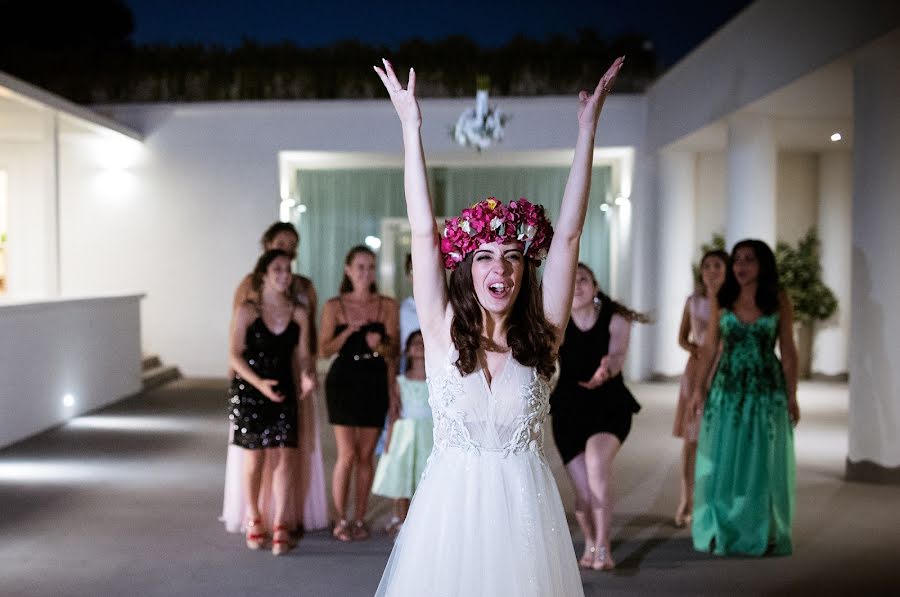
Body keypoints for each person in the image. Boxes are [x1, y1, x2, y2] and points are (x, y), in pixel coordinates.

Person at [372, 55, 623, 596]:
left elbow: (571, 236)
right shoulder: (441, 331)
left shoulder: (543, 335)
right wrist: (410, 127)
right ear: (467, 268)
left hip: (524, 522)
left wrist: (587, 132)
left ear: (525, 266)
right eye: (484, 256)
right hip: (448, 521)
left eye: (512, 255)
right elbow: (421, 232)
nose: (500, 268)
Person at [690, 239, 800, 556]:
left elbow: (789, 351)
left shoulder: (778, 300)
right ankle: (723, 525)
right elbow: (710, 347)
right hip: (727, 391)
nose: (740, 266)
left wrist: (792, 394)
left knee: (761, 462)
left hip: (766, 391)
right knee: (725, 460)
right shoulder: (722, 299)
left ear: (763, 265)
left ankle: (762, 527)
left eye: (749, 260)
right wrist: (699, 388)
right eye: (737, 259)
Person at [221, 222, 329, 538]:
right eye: (280, 241)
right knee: (254, 453)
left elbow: (308, 340)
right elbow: (235, 341)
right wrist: (244, 378)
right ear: (267, 244)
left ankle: (286, 516)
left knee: (289, 450)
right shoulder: (248, 289)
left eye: (292, 243)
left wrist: (308, 372)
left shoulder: (304, 288)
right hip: (254, 378)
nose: (286, 247)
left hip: (291, 372)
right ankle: (254, 514)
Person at [549, 263, 648, 570]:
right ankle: (590, 540)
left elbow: (617, 354)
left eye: (583, 280)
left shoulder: (616, 318)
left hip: (609, 404)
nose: (577, 285)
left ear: (595, 286)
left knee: (596, 466)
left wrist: (608, 368)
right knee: (582, 491)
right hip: (568, 409)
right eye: (571, 280)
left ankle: (604, 545)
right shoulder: (555, 323)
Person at [319, 245, 400, 542]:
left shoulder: (387, 305)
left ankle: (359, 517)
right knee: (347, 454)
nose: (366, 273)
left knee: (366, 455)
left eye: (370, 267)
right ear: (348, 269)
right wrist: (347, 331)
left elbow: (394, 352)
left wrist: (378, 344)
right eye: (360, 267)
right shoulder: (334, 306)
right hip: (343, 379)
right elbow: (324, 350)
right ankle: (340, 518)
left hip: (374, 379)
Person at [672, 249, 728, 528]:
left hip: (723, 371)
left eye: (717, 265)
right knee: (691, 441)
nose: (711, 270)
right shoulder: (693, 302)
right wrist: (693, 347)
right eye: (707, 265)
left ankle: (713, 501)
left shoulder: (731, 303)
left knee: (719, 440)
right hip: (696, 371)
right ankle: (686, 498)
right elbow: (681, 337)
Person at [372, 330, 431, 536]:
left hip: (428, 435)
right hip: (405, 435)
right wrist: (388, 441)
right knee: (402, 476)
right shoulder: (401, 381)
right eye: (415, 342)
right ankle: (400, 518)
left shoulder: (437, 377)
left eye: (424, 342)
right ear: (407, 350)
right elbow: (395, 412)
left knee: (425, 479)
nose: (420, 346)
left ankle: (425, 522)